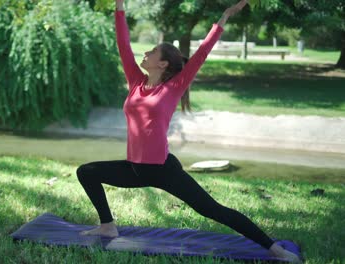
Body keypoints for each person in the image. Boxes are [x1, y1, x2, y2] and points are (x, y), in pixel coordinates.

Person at [76, 0, 302, 263]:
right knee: (87, 172)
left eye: (152, 52)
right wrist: (119, 7)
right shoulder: (137, 82)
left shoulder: (173, 88)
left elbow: (202, 52)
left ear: (162, 65)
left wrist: (224, 17)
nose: (145, 53)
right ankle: (107, 225)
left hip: (163, 169)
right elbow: (123, 45)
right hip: (135, 168)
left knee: (213, 210)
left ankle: (275, 249)